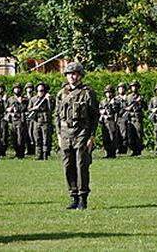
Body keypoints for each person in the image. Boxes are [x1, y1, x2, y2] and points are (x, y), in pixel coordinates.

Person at [55, 62, 98, 210]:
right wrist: (59, 135)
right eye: (69, 74)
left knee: (82, 165)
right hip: (66, 133)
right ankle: (73, 196)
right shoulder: (61, 94)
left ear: (80, 76)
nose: (72, 77)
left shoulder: (88, 92)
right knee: (68, 165)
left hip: (82, 132)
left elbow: (94, 116)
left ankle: (82, 197)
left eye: (74, 74)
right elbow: (57, 116)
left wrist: (92, 136)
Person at [28, 83, 54, 160]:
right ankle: (38, 155)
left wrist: (48, 100)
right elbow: (29, 109)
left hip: (45, 121)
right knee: (37, 138)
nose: (40, 92)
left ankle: (45, 155)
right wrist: (34, 108)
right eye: (39, 90)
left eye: (42, 90)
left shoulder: (48, 99)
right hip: (36, 121)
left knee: (46, 139)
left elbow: (51, 109)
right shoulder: (33, 99)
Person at [121, 82, 145, 156]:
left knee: (139, 134)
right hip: (130, 118)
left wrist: (140, 101)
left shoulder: (141, 97)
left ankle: (138, 150)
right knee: (131, 135)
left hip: (137, 117)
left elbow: (145, 107)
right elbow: (124, 107)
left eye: (135, 86)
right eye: (133, 87)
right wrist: (128, 108)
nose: (134, 88)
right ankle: (133, 150)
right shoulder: (128, 97)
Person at [98, 85, 122, 159]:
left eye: (110, 92)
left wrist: (113, 104)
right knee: (105, 137)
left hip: (112, 121)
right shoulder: (103, 101)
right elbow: (99, 109)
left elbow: (118, 110)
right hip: (104, 120)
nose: (108, 94)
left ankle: (113, 153)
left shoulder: (116, 101)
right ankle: (107, 152)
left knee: (112, 137)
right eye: (107, 92)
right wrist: (103, 113)